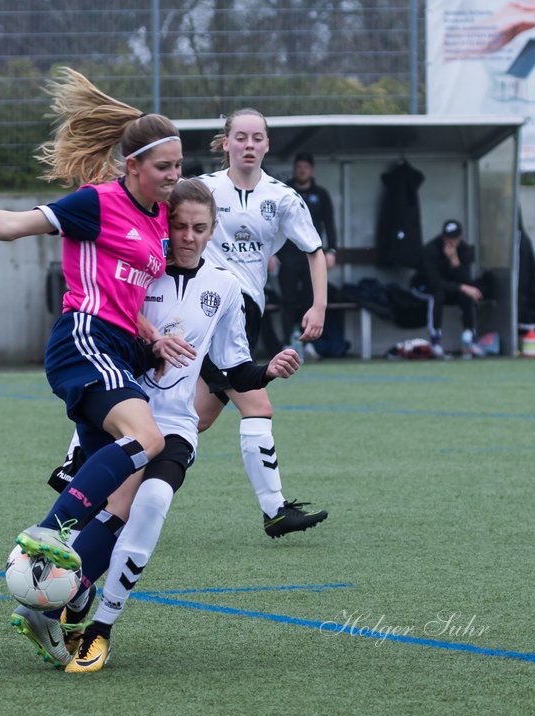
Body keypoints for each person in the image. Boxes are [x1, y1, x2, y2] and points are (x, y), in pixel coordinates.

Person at [0, 67, 191, 619]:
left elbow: (130, 291)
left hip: (121, 351)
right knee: (148, 440)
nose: (174, 175)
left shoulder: (161, 220)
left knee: (124, 495)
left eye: (178, 165)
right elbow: (10, 224)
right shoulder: (97, 202)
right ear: (134, 165)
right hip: (84, 339)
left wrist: (152, 334)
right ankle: (47, 534)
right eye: (165, 167)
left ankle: (47, 607)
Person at [25, 179, 304, 673]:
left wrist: (268, 370)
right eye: (179, 226)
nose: (189, 236)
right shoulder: (137, 270)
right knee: (112, 512)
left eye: (200, 228)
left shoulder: (224, 287)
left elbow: (233, 367)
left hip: (176, 423)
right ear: (165, 225)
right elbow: (105, 331)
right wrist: (148, 346)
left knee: (150, 503)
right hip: (122, 410)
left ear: (214, 230)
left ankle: (100, 628)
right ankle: (55, 595)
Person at [196, 108, 330, 538]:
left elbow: (313, 250)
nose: (249, 144)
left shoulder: (283, 198)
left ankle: (108, 484)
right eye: (241, 137)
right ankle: (274, 511)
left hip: (245, 314)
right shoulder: (202, 190)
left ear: (268, 145)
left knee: (193, 419)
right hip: (214, 309)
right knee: (256, 405)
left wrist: (319, 306)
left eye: (257, 138)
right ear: (227, 143)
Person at [279, 151, 341, 355]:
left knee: (309, 298)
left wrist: (331, 250)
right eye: (299, 166)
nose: (302, 170)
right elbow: (274, 224)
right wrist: (270, 253)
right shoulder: (286, 191)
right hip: (287, 255)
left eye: (306, 166)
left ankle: (308, 343)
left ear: (311, 170)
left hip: (311, 256)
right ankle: (287, 341)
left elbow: (329, 223)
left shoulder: (321, 194)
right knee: (288, 299)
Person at [410, 219, 496, 359]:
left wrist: (455, 260)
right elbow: (435, 283)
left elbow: (466, 281)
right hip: (423, 287)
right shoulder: (431, 250)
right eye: (448, 238)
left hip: (449, 288)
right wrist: (462, 287)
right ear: (443, 236)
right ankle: (435, 341)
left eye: (455, 238)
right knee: (437, 295)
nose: (451, 242)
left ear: (460, 237)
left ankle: (469, 337)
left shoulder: (464, 250)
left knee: (468, 294)